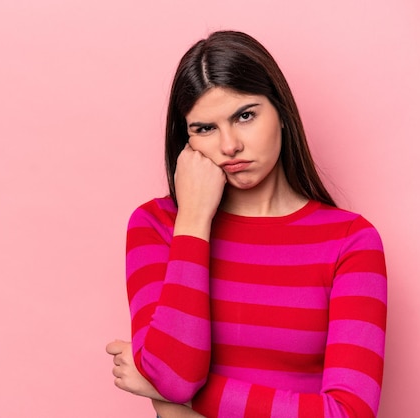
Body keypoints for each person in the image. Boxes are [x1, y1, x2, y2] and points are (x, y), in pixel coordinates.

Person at [106, 30, 387, 418]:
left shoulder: (350, 241)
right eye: (205, 128)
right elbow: (175, 374)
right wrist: (193, 219)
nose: (229, 146)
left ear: (282, 114)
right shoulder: (156, 225)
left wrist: (187, 398)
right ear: (185, 139)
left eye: (245, 116)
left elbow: (349, 413)